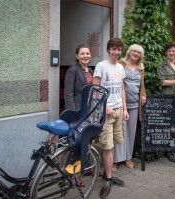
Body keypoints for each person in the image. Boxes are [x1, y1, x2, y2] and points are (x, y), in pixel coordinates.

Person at [92, 38, 129, 199]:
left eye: (119, 49)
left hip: (119, 109)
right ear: (108, 50)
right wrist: (104, 106)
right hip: (106, 111)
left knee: (113, 144)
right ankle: (108, 178)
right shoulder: (101, 66)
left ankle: (108, 174)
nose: (116, 52)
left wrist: (125, 108)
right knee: (107, 146)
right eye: (114, 49)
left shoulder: (121, 67)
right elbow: (95, 89)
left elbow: (121, 88)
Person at [113, 44, 146, 170]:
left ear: (140, 56)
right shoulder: (121, 64)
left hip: (134, 105)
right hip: (121, 104)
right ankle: (115, 160)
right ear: (129, 52)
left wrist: (143, 95)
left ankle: (128, 157)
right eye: (133, 51)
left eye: (138, 52)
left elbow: (142, 85)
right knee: (119, 131)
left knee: (131, 132)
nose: (135, 53)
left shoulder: (141, 68)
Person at [64, 44, 93, 110]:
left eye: (87, 53)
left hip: (89, 107)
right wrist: (72, 112)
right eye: (82, 54)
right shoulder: (72, 70)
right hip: (77, 108)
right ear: (77, 56)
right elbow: (68, 94)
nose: (85, 56)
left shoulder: (90, 70)